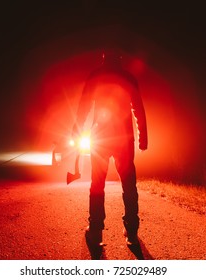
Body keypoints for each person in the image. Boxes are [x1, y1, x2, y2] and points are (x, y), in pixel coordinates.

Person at [72, 49, 148, 246]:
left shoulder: (96, 75)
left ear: (104, 57)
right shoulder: (128, 77)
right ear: (120, 59)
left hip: (102, 137)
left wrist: (77, 128)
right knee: (129, 184)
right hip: (124, 138)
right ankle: (131, 231)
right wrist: (143, 137)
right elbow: (138, 108)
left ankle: (96, 230)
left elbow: (84, 105)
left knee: (97, 184)